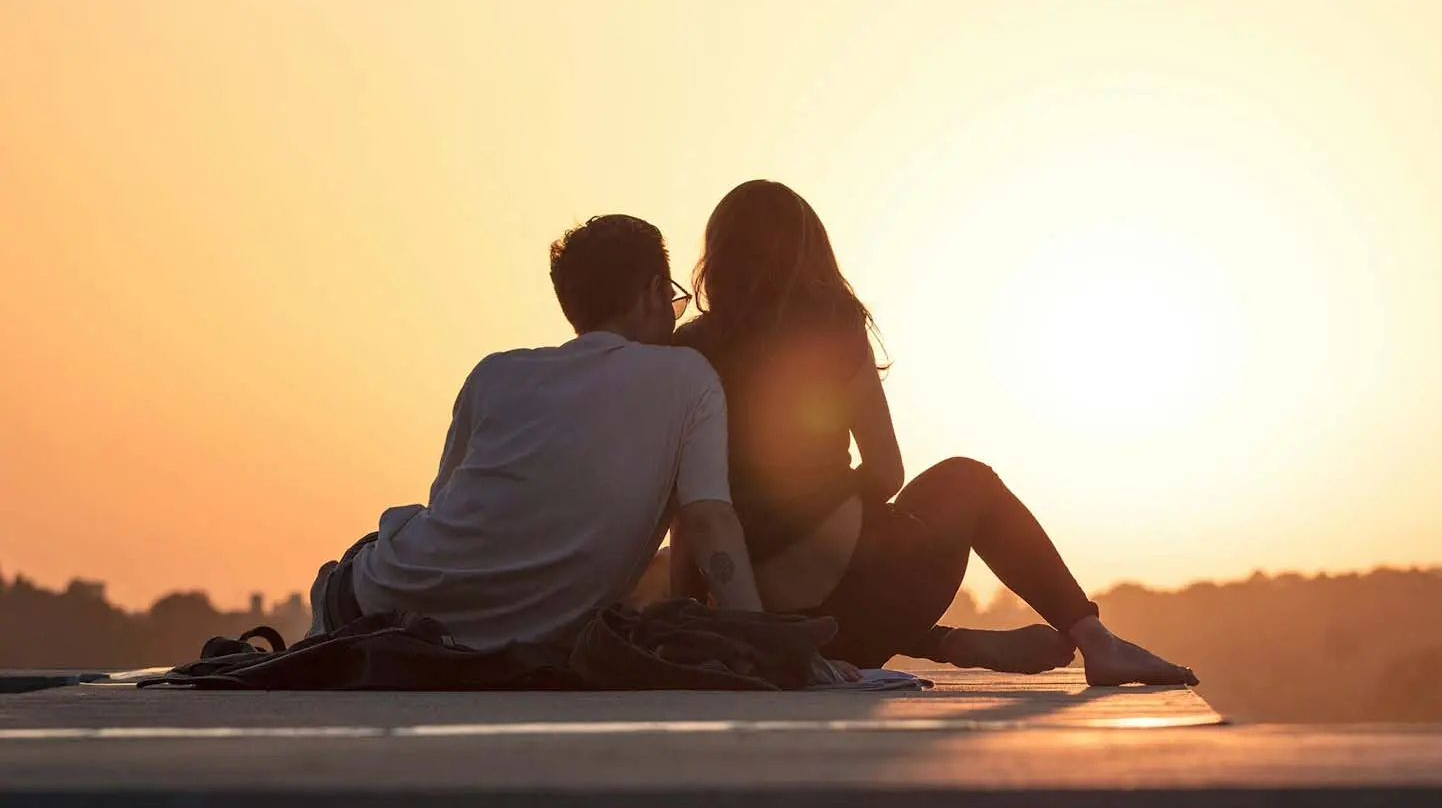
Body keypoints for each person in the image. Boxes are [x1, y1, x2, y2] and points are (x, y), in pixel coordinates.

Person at [672, 181, 1198, 686]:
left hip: (763, 621)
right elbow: (886, 471)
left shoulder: (687, 351)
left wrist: (697, 618)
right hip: (863, 602)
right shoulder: (833, 327)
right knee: (968, 481)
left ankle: (943, 642)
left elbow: (688, 511)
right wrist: (831, 501)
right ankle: (1095, 641)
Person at [305, 214, 769, 651]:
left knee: (381, 545)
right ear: (653, 291)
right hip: (508, 636)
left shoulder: (495, 374)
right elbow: (708, 520)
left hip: (382, 605)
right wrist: (763, 643)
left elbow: (450, 510)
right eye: (672, 298)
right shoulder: (689, 376)